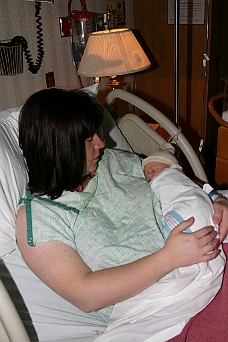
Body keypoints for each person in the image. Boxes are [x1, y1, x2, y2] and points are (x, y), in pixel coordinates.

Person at [14, 88, 228, 341]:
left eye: (97, 132)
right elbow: (85, 295)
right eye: (88, 138)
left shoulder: (109, 161)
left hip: (211, 249)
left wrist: (214, 198)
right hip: (162, 305)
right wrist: (169, 258)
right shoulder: (40, 218)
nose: (101, 143)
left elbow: (167, 180)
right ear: (59, 148)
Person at [142, 142, 219, 239]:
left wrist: (217, 198)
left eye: (153, 170)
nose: (148, 175)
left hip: (188, 208)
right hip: (200, 210)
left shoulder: (172, 174)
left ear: (171, 167)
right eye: (145, 175)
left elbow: (201, 188)